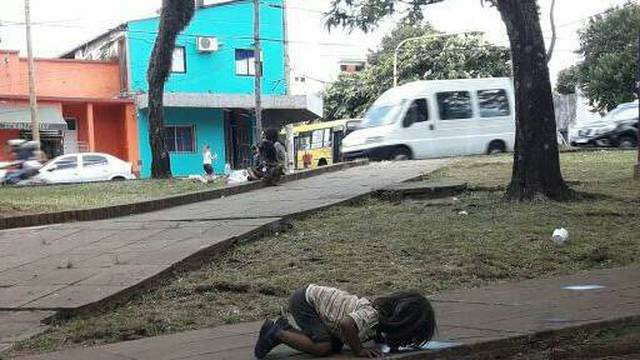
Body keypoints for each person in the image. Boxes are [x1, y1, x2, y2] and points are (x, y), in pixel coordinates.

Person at [254, 285, 436, 359]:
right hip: (306, 302)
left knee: (335, 346)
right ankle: (276, 332)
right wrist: (359, 350)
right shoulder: (371, 316)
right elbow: (346, 324)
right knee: (324, 348)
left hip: (314, 302)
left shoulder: (378, 321)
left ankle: (285, 329)